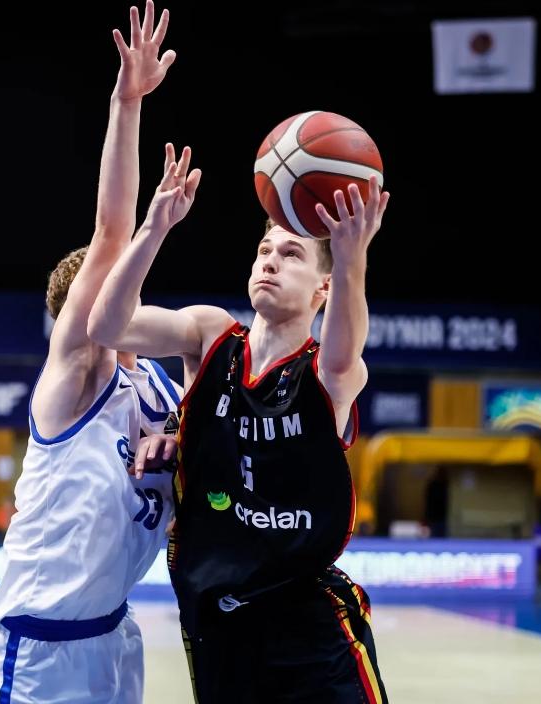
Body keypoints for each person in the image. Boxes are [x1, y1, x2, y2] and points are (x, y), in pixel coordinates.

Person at [89, 156, 391, 700]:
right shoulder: (211, 337)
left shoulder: (328, 372)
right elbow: (107, 326)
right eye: (264, 251)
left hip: (307, 625)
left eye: (291, 253)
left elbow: (346, 351)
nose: (270, 262)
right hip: (216, 621)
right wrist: (155, 226)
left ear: (323, 288)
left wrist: (352, 258)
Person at [0, 3, 184, 702]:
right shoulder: (71, 380)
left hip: (115, 635)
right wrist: (127, 104)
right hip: (40, 643)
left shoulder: (160, 386)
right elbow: (111, 227)